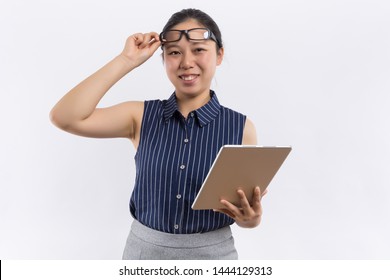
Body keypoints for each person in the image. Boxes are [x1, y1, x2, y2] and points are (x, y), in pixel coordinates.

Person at [50, 8, 267, 260]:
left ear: (219, 55)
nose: (186, 62)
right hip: (143, 256)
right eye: (174, 52)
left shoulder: (241, 129)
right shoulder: (140, 116)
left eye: (199, 50)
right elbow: (65, 116)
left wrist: (251, 220)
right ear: (163, 58)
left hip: (213, 259)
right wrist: (126, 60)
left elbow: (244, 211)